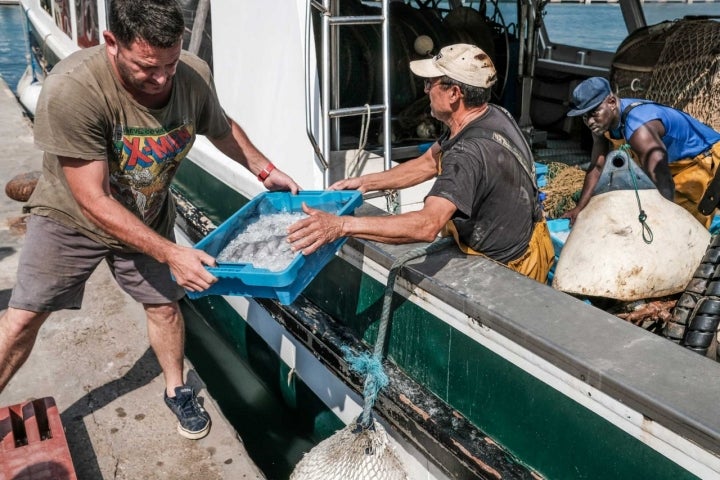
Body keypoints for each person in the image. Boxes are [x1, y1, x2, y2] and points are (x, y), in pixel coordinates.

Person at [0, 0, 299, 440]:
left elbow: (218, 126)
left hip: (148, 209)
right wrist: (171, 252)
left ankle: (176, 390)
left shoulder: (191, 75)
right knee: (24, 317)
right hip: (72, 218)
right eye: (146, 67)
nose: (162, 79)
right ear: (111, 43)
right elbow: (93, 199)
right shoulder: (73, 89)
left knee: (163, 306)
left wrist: (266, 170)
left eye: (170, 64)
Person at [287, 43, 554, 283]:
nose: (425, 90)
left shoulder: (467, 153)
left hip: (508, 268)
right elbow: (428, 162)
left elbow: (427, 225)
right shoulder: (490, 114)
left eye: (431, 83)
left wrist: (341, 225)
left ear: (454, 93)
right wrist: (365, 183)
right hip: (528, 239)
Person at [562, 76, 720, 227]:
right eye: (584, 116)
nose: (589, 121)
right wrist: (579, 209)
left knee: (685, 226)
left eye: (594, 113)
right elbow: (597, 166)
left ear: (611, 102)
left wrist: (666, 221)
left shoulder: (640, 130)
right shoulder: (601, 125)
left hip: (705, 161)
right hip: (672, 166)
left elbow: (663, 179)